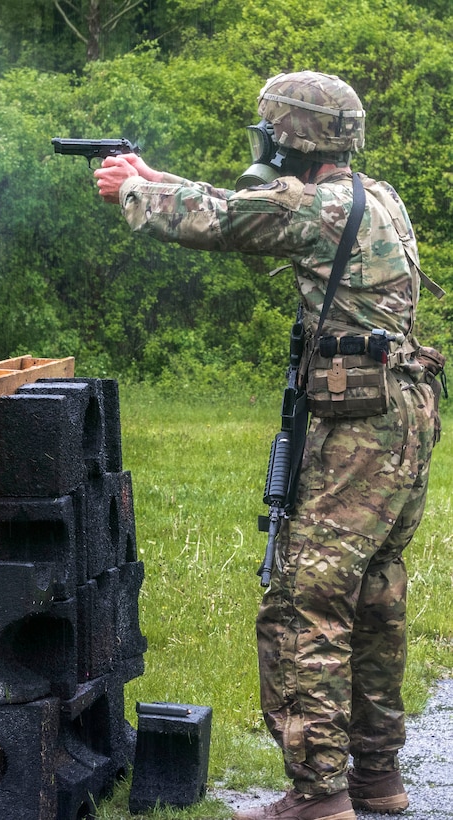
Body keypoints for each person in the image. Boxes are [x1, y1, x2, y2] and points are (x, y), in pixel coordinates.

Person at [94, 71, 443, 820]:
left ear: (289, 137)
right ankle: (377, 779)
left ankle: (318, 796)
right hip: (405, 414)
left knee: (303, 604)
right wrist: (157, 176)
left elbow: (219, 220)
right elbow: (243, 205)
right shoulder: (372, 196)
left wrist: (132, 190)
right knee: (375, 595)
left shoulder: (313, 208)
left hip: (357, 429)